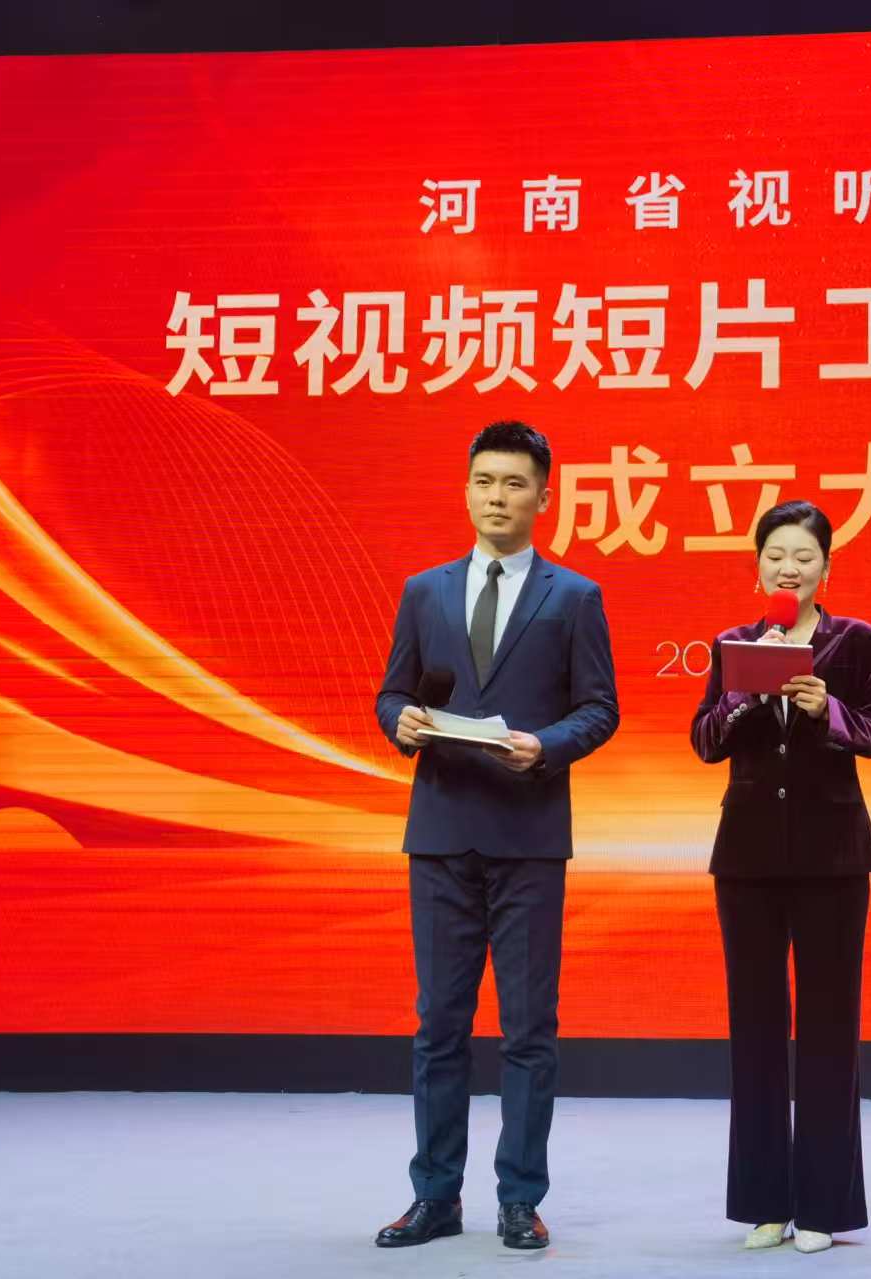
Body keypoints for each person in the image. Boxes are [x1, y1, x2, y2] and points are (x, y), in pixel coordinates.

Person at [372, 420, 619, 1250]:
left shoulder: (574, 596)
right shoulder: (425, 591)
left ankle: (520, 1196)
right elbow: (392, 693)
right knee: (439, 1024)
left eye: (514, 484)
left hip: (527, 837)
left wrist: (545, 745)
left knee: (528, 1029)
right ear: (466, 489)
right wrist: (400, 722)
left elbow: (600, 708)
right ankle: (435, 1195)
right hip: (441, 834)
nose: (497, 497)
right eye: (484, 481)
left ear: (544, 496)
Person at [689, 499, 871, 1255]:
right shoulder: (734, 644)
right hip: (746, 860)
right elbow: (704, 740)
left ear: (825, 567)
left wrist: (826, 708)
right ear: (758, 566)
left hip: (832, 858)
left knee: (830, 1029)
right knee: (756, 1029)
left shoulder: (856, 641)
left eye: (803, 556)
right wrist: (745, 698)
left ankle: (823, 1207)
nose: (788, 568)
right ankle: (764, 1203)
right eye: (775, 555)